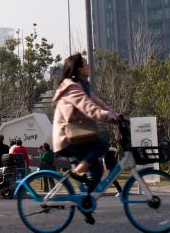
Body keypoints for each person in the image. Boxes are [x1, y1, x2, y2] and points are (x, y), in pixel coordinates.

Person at [53, 53, 122, 225]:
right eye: (85, 64)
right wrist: (108, 116)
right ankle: (77, 171)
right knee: (102, 145)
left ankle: (86, 203)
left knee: (98, 170)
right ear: (78, 69)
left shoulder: (83, 86)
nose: (88, 66)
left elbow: (98, 103)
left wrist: (115, 115)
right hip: (67, 137)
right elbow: (89, 108)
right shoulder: (72, 88)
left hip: (76, 135)